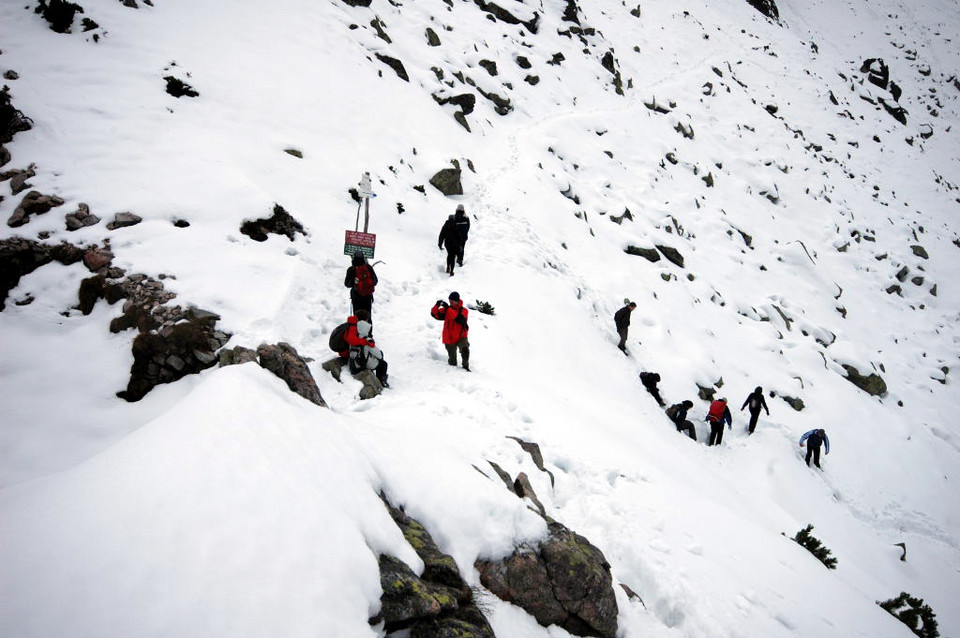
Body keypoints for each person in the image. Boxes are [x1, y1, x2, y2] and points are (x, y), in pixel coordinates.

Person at [431, 291, 469, 370]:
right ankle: (452, 373)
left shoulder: (464, 310)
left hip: (461, 336)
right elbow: (434, 314)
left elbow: (458, 319)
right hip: (449, 338)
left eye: (453, 300)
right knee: (452, 363)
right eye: (450, 300)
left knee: (465, 350)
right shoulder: (447, 310)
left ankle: (466, 367)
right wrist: (437, 305)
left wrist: (448, 309)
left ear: (457, 301)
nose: (450, 301)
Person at [349, 318, 389, 387]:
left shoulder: (354, 339)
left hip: (354, 364)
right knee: (383, 364)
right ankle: (381, 381)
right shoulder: (367, 340)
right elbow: (379, 355)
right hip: (363, 364)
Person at [344, 252, 378, 320]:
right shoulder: (368, 267)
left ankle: (357, 330)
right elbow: (375, 281)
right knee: (367, 316)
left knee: (357, 317)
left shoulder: (351, 269)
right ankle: (368, 330)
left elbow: (347, 284)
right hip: (368, 297)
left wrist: (354, 281)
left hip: (356, 296)